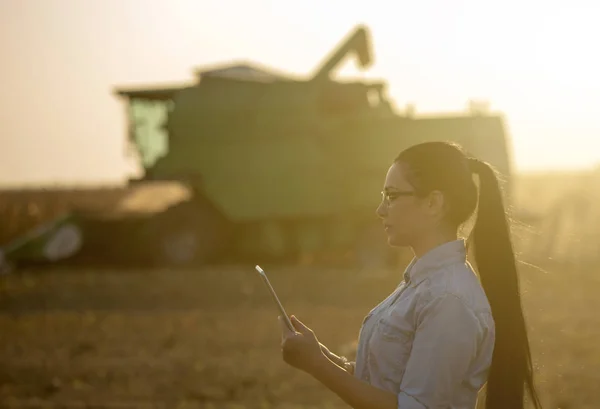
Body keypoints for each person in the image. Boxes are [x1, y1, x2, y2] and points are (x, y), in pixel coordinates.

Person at [277, 141, 542, 409]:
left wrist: (318, 365)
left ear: (433, 203)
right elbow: (387, 381)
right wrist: (322, 356)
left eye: (391, 196)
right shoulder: (424, 284)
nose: (380, 209)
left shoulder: (448, 300)